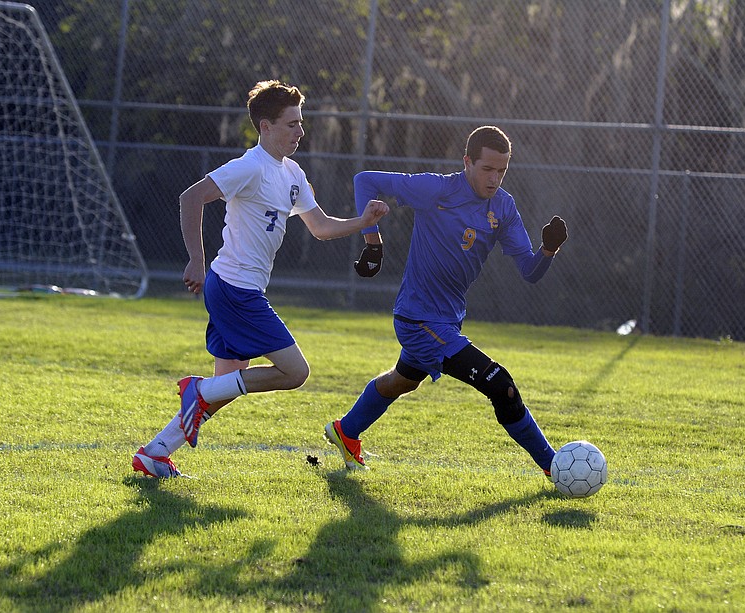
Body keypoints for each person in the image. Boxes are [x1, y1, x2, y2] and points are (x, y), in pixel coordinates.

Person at [132, 80, 388, 478]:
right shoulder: (248, 166)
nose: (300, 132)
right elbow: (191, 197)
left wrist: (362, 223)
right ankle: (195, 391)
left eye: (301, 123)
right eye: (291, 124)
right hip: (235, 289)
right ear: (265, 127)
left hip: (236, 289)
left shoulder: (293, 173)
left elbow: (319, 226)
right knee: (295, 373)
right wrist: (195, 260)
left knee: (222, 390)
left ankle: (154, 453)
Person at [324, 125, 568, 477]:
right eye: (487, 169)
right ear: (467, 162)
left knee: (402, 380)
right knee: (502, 386)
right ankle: (555, 468)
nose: (495, 178)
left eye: (502, 170)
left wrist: (548, 250)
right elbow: (365, 180)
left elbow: (530, 271)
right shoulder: (436, 189)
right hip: (419, 320)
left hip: (447, 320)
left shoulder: (503, 207)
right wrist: (372, 242)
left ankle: (346, 431)